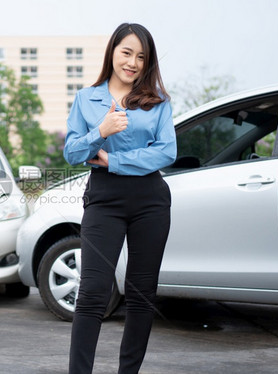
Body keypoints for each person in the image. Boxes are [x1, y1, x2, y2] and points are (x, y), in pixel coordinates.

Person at [64, 23, 176, 373]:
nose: (133, 62)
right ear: (112, 51)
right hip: (104, 198)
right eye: (127, 52)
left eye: (141, 57)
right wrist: (100, 132)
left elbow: (166, 152)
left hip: (150, 199)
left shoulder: (157, 102)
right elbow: (70, 152)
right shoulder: (86, 99)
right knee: (93, 292)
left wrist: (115, 159)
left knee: (141, 295)